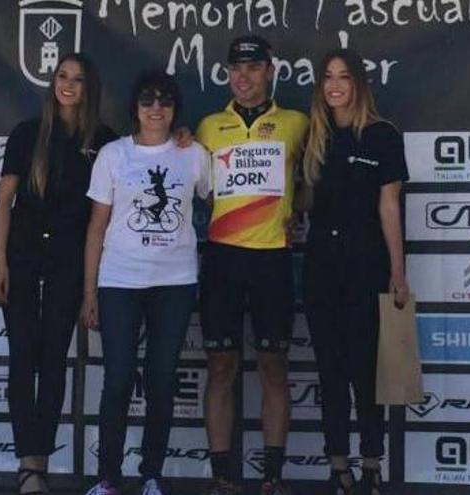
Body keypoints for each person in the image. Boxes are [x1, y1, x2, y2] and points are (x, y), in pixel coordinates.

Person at [0, 53, 117, 494]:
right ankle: (28, 466)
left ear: (89, 88)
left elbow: (140, 160)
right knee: (22, 359)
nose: (68, 85)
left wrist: (177, 137)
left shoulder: (104, 141)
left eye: (78, 79)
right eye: (62, 76)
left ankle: (40, 460)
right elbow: (3, 202)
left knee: (52, 362)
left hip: (69, 264)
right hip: (22, 260)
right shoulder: (27, 134)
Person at [81, 71, 211, 495]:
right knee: (118, 379)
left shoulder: (195, 155)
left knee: (160, 379)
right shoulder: (113, 155)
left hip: (174, 282)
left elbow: (220, 203)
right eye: (147, 101)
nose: (156, 109)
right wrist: (89, 292)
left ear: (175, 108)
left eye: (165, 101)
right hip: (119, 281)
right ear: (134, 108)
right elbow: (96, 228)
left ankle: (151, 474)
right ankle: (108, 478)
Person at [195, 35, 309, 495]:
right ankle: (223, 478)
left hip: (273, 260)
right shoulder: (205, 127)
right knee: (220, 368)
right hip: (222, 257)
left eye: (253, 67)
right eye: (235, 69)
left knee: (273, 368)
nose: (243, 77)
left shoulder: (297, 123)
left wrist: (299, 206)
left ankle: (272, 478)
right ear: (227, 74)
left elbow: (319, 173)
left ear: (270, 71)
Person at [300, 48, 409, 495]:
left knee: (366, 368)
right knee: (330, 368)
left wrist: (398, 273)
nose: (334, 85)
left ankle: (371, 463)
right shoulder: (313, 136)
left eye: (343, 77)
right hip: (320, 263)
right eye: (327, 77)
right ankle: (337, 465)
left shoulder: (382, 135)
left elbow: (389, 207)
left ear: (359, 83)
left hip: (367, 262)